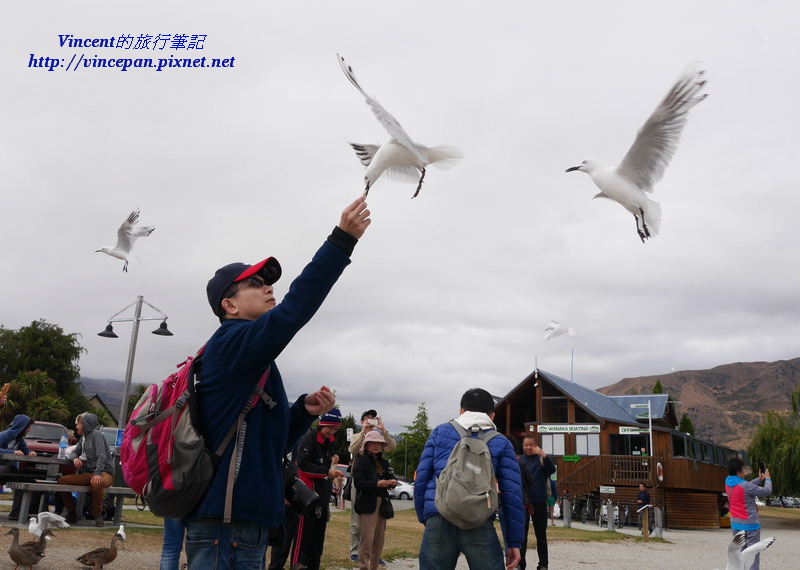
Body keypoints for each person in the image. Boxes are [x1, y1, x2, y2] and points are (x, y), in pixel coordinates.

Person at [185, 196, 370, 569]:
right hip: (225, 525)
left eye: (267, 282)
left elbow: (271, 445)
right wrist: (340, 242)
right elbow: (293, 311)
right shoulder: (231, 344)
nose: (269, 287)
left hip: (244, 522)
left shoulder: (254, 361)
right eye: (255, 283)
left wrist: (302, 412)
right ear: (230, 306)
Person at [415, 388, 524, 570]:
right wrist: (514, 542)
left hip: (440, 517)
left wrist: (426, 516)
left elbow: (422, 479)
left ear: (461, 411)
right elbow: (512, 495)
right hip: (479, 520)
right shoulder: (501, 442)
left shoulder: (440, 432)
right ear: (492, 415)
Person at [291, 409, 344, 570]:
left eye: (335, 429)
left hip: (322, 495)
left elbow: (323, 464)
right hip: (307, 496)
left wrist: (331, 463)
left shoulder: (330, 441)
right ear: (322, 423)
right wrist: (326, 471)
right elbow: (302, 465)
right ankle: (297, 566)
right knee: (303, 540)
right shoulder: (309, 438)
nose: (332, 431)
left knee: (317, 541)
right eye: (330, 427)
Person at [347, 409, 396, 562]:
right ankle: (356, 550)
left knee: (378, 525)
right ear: (362, 421)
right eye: (368, 419)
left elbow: (391, 447)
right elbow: (353, 450)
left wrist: (382, 429)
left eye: (373, 419)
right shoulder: (358, 436)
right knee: (358, 518)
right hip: (361, 479)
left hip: (378, 483)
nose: (371, 422)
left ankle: (375, 556)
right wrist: (363, 432)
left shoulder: (379, 437)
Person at [57, 413, 114, 527]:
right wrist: (75, 458)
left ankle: (97, 515)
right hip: (90, 473)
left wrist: (98, 473)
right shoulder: (83, 438)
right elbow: (74, 452)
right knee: (62, 481)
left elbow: (101, 456)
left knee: (96, 482)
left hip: (105, 473)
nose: (76, 427)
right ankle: (72, 513)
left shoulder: (97, 435)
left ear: (85, 425)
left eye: (78, 424)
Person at [725, 457, 772, 570]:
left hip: (735, 524)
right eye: (743, 470)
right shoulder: (745, 486)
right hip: (750, 526)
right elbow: (767, 491)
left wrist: (759, 479)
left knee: (740, 554)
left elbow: (744, 486)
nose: (744, 472)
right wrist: (768, 479)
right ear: (739, 471)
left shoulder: (728, 482)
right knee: (753, 555)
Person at [518, 435, 556, 570]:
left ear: (536, 445)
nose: (528, 447)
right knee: (522, 536)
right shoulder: (519, 460)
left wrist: (544, 455)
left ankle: (543, 564)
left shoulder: (541, 460)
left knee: (541, 535)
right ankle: (520, 564)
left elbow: (552, 470)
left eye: (531, 445)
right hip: (523, 502)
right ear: (522, 447)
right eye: (526, 445)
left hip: (539, 501)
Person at [0, 414, 37, 521]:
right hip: (4, 470)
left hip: (9, 472)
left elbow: (25, 450)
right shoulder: (4, 435)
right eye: (28, 427)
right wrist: (12, 452)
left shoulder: (19, 439)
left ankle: (16, 512)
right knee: (17, 473)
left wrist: (30, 452)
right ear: (22, 427)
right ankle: (17, 512)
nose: (29, 430)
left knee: (24, 481)